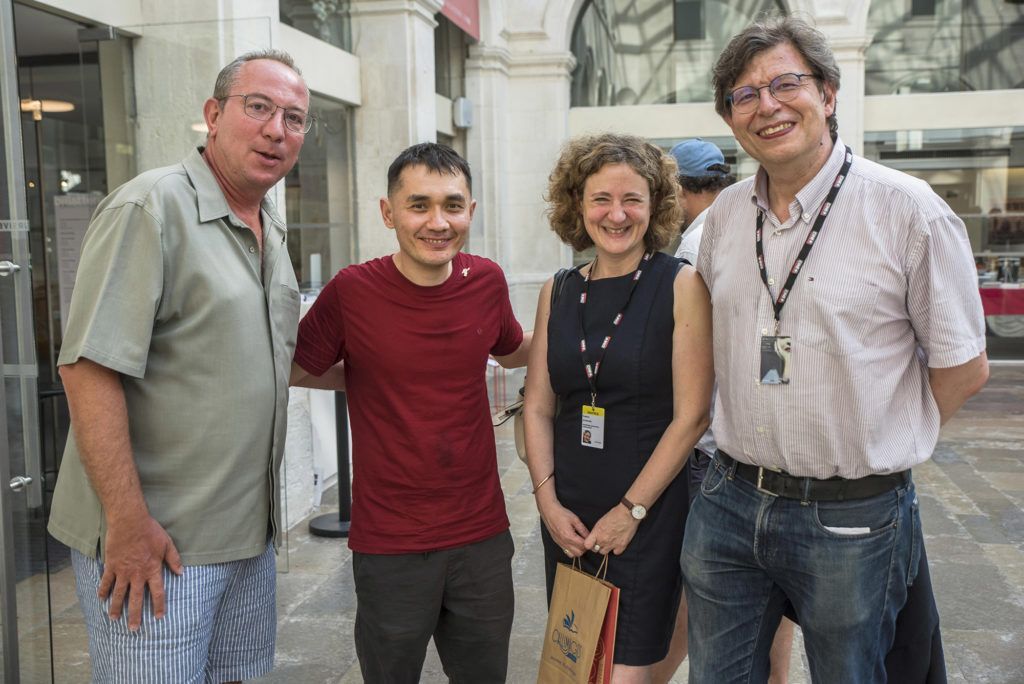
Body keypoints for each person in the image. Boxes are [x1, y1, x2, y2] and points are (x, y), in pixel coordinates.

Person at [680, 16, 989, 682]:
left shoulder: (908, 211)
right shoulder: (724, 218)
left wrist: (879, 437)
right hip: (728, 501)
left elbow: (963, 367)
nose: (766, 106)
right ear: (730, 118)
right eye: (744, 95)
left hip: (853, 516)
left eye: (785, 84)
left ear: (827, 93)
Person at [47, 50, 309, 682]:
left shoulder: (268, 226)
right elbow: (88, 371)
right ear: (213, 115)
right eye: (258, 107)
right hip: (157, 546)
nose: (277, 130)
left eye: (295, 118)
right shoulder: (149, 208)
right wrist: (127, 524)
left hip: (246, 541)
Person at [290, 143, 530, 683]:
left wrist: (588, 333)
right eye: (419, 205)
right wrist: (366, 375)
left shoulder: (486, 280)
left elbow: (512, 349)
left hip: (481, 535)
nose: (438, 222)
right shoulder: (352, 290)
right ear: (388, 212)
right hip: (391, 540)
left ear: (471, 210)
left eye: (453, 205)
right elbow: (297, 368)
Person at [524, 132, 714, 682]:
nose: (616, 214)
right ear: (577, 204)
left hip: (646, 512)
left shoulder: (681, 284)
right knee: (574, 663)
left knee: (625, 671)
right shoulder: (558, 290)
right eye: (601, 199)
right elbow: (538, 407)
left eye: (632, 199)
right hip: (568, 515)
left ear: (655, 206)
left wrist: (630, 512)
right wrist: (547, 503)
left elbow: (693, 416)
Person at [652, 139, 796, 684]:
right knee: (773, 590)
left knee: (698, 593)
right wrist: (772, 396)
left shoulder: (696, 246)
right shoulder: (752, 231)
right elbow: (774, 343)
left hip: (712, 449)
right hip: (761, 442)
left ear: (676, 190)